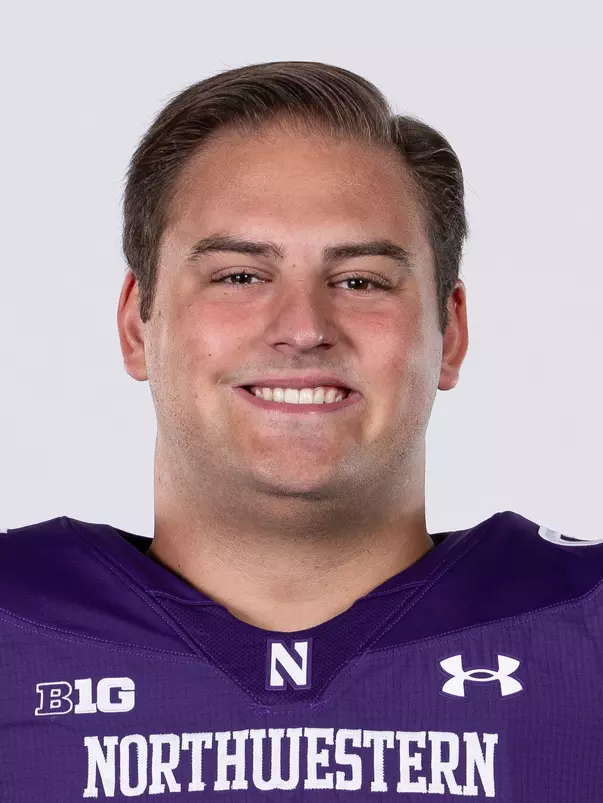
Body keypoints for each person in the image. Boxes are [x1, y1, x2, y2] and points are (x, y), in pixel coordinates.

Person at [1, 61, 602, 803]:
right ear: (136, 325)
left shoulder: (581, 627)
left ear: (449, 335)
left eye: (360, 281)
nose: (304, 327)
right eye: (239, 276)